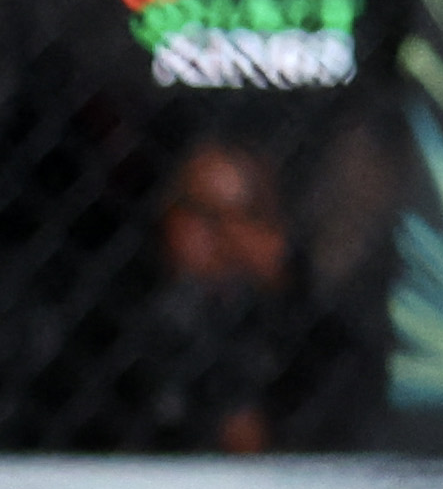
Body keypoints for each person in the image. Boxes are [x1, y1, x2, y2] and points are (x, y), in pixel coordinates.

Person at [125, 138, 376, 455]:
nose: (225, 237)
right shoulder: (125, 324)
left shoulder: (319, 340)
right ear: (166, 216)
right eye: (204, 214)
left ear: (278, 229)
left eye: (248, 215)